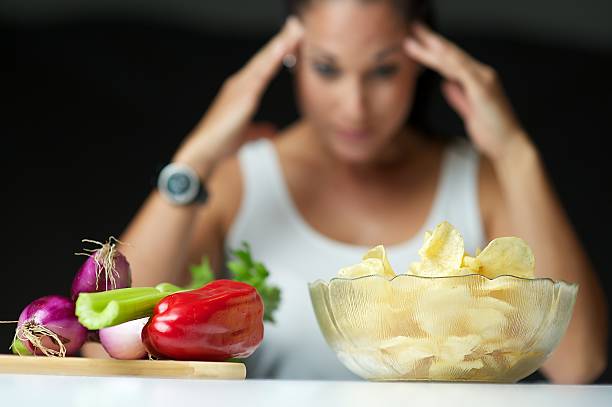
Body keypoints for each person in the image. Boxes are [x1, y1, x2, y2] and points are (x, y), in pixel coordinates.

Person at [83, 0, 607, 383]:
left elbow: (579, 363)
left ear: (423, 59)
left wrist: (515, 150)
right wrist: (195, 157)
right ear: (290, 55)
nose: (354, 107)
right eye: (328, 68)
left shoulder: (481, 181)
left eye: (382, 70)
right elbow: (109, 330)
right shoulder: (239, 179)